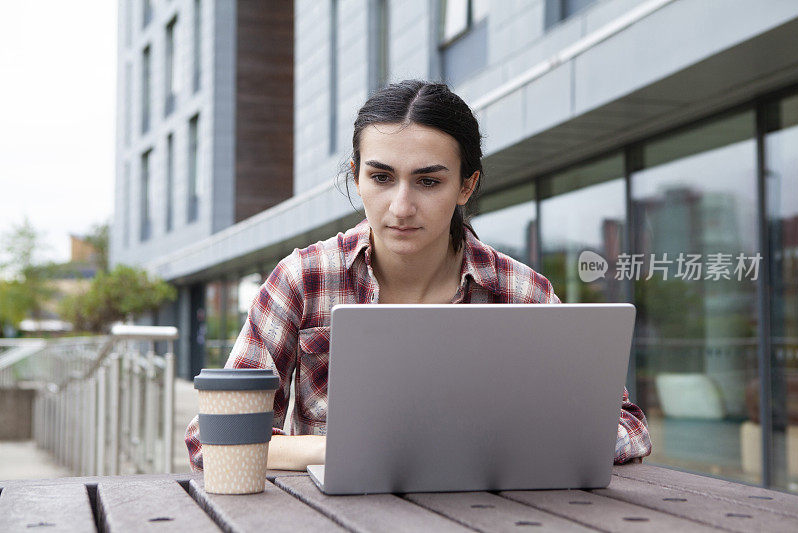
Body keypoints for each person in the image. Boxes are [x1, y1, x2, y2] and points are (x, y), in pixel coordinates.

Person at [185, 80, 652, 471]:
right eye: (382, 177)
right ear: (357, 176)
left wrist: (510, 445)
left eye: (429, 181)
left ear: (466, 186)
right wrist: (345, 451)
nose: (401, 207)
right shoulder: (305, 278)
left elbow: (627, 426)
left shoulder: (518, 290)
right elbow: (213, 437)